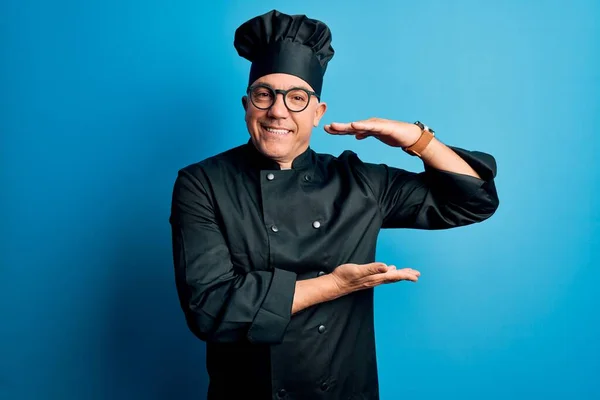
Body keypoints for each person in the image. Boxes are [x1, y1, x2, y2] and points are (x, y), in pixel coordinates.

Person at [169, 9, 499, 400]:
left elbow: (472, 200)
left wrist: (415, 139)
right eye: (264, 94)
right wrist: (334, 285)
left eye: (296, 98)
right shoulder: (203, 183)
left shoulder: (358, 182)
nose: (278, 110)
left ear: (317, 112)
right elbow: (210, 308)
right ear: (246, 104)